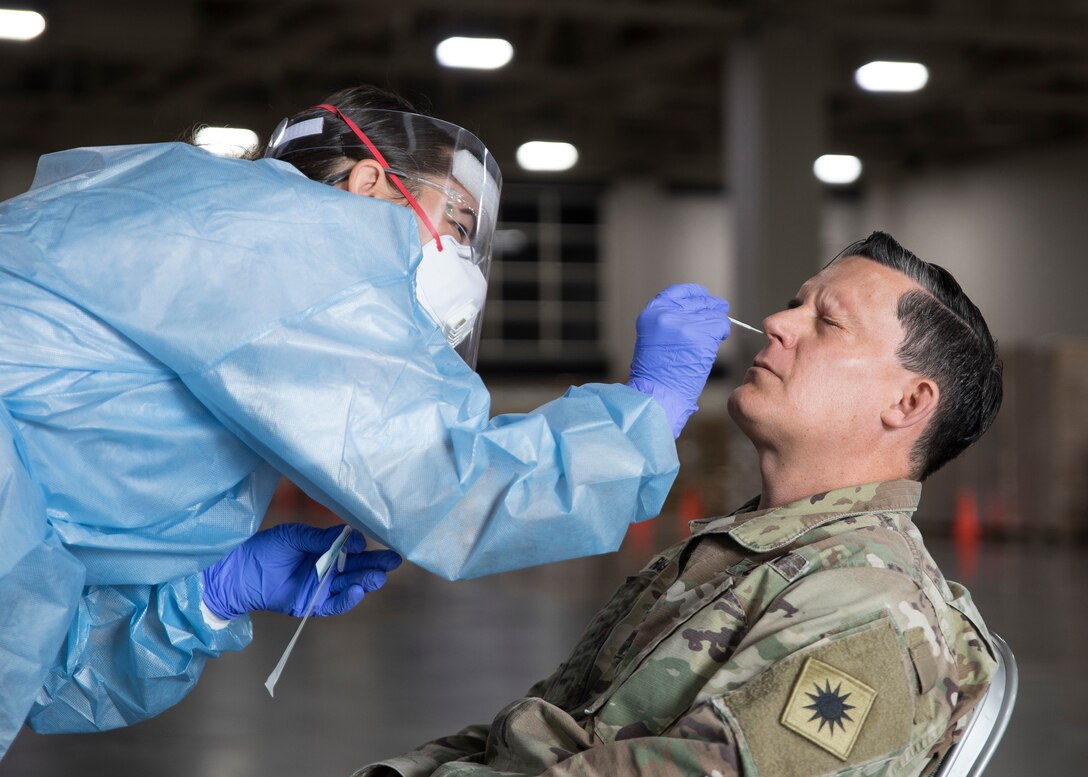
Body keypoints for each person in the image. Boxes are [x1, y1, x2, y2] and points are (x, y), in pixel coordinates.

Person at [0, 85, 731, 758]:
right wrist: (651, 409)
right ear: (368, 182)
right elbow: (451, 483)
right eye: (456, 221)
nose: (463, 263)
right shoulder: (288, 241)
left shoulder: (211, 249)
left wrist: (209, 594)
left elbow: (41, 666)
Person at [353, 231, 1003, 777]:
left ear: (908, 403)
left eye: (826, 321)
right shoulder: (747, 554)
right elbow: (537, 729)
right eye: (791, 305)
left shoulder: (861, 599)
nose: (777, 323)